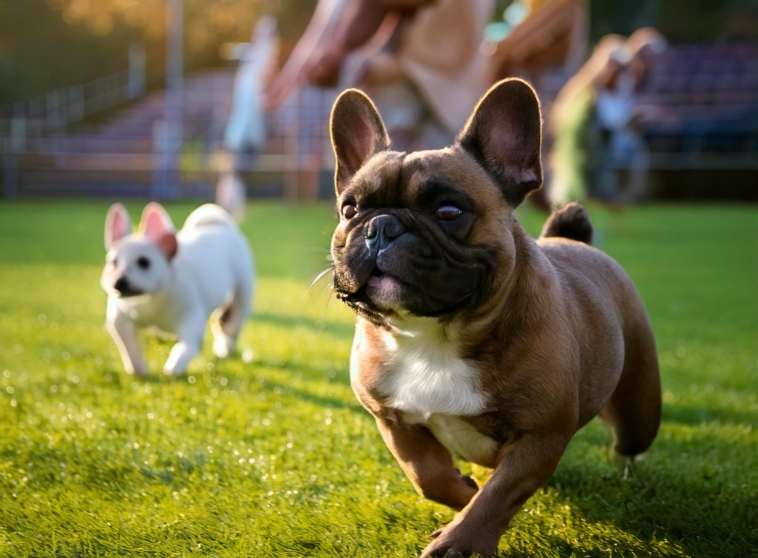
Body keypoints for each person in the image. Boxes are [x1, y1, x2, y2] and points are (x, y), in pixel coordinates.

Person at [264, 0, 493, 152]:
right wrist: (292, 75)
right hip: (395, 73)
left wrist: (339, 49)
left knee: (453, 175)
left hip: (443, 77)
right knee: (384, 168)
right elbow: (324, 25)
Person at [547, 28, 666, 208]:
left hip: (603, 143)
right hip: (584, 144)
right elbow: (611, 119)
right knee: (574, 180)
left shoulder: (623, 82)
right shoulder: (586, 92)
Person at [217, 16, 279, 221]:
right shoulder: (253, 65)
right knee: (233, 172)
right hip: (242, 133)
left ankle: (231, 208)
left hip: (245, 133)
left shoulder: (259, 63)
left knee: (235, 172)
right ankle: (230, 208)